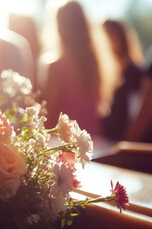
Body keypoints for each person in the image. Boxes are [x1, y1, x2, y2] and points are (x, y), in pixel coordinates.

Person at [43, 1, 103, 137]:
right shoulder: (93, 62)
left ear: (59, 26)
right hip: (93, 140)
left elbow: (49, 113)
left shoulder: (56, 66)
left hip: (65, 145)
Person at [101, 20, 144, 141]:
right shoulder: (112, 75)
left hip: (123, 148)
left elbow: (134, 117)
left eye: (108, 36)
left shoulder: (134, 74)